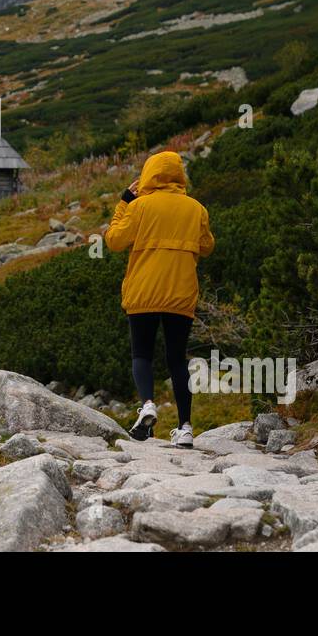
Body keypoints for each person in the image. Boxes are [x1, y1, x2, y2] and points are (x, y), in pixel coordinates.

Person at [105, 150, 214, 446]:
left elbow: (114, 240)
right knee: (177, 360)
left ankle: (149, 405)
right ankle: (186, 428)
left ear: (149, 174)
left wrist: (124, 202)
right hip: (180, 294)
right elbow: (206, 247)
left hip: (144, 291)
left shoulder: (139, 206)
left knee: (142, 355)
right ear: (179, 175)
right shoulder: (196, 209)